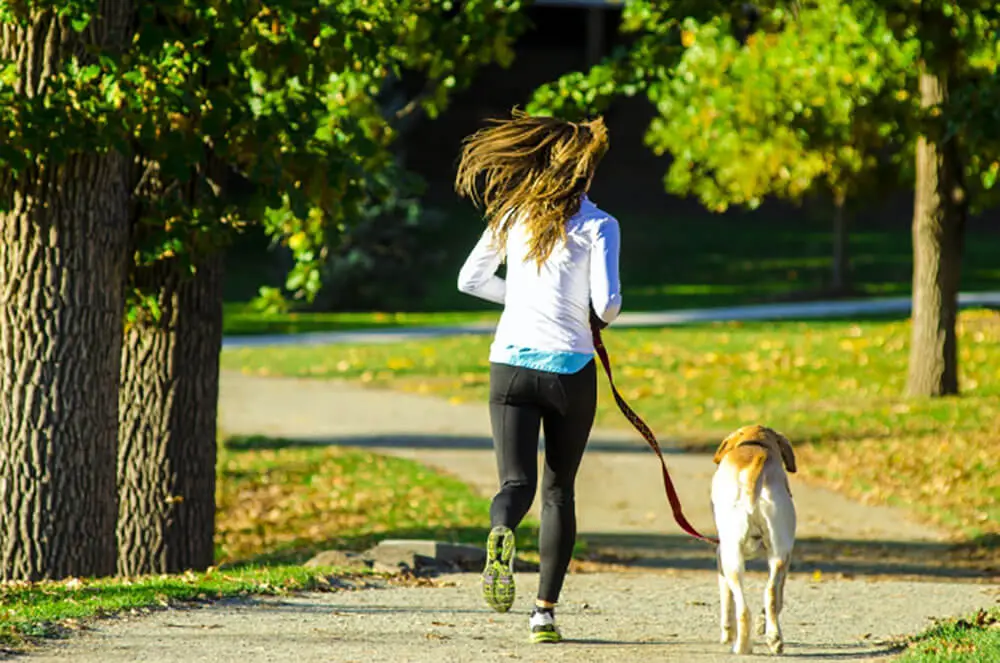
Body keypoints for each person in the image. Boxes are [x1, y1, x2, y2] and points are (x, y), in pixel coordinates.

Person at [454, 109, 622, 643]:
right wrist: (583, 316)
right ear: (585, 172)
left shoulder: (512, 214)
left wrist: (520, 300)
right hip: (569, 370)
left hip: (508, 366)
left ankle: (502, 529)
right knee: (558, 492)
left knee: (515, 483)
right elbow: (609, 303)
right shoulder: (599, 224)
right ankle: (543, 613)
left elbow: (470, 279)